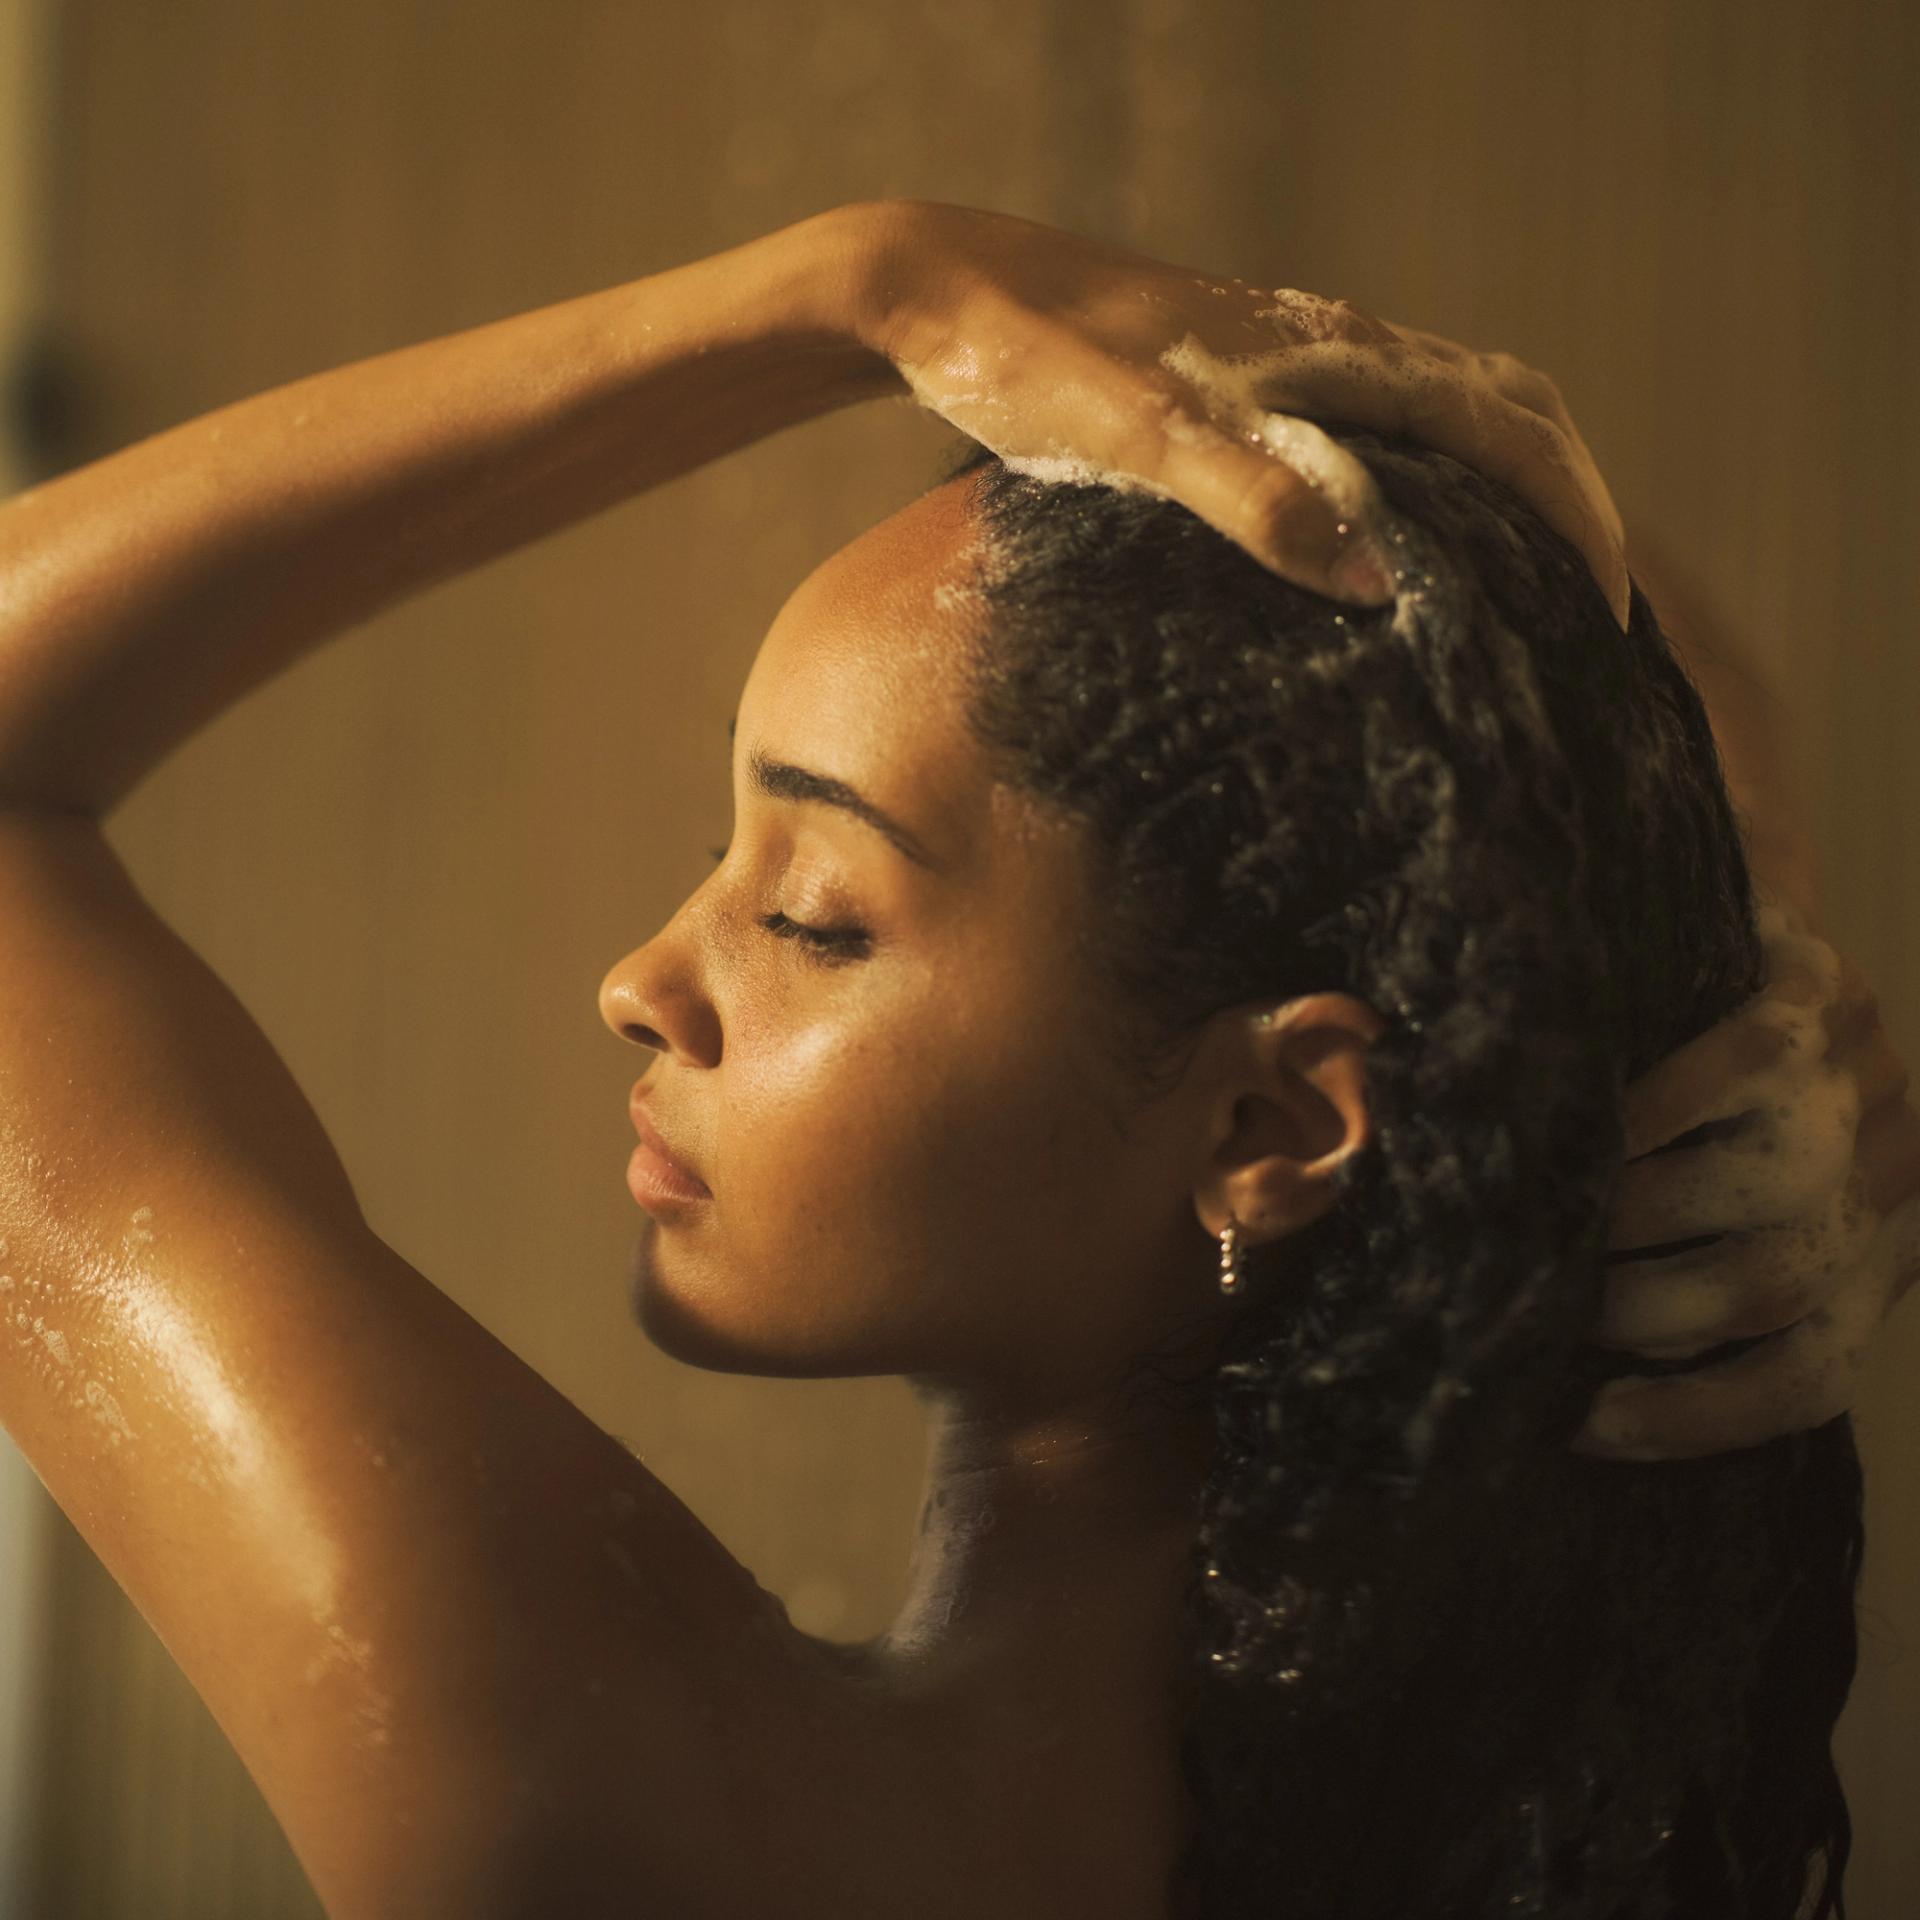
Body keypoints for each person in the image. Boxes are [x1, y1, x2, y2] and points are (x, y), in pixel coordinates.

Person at [0, 198, 1912, 1917]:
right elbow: (1541, 595)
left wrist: (838, 291)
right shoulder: (1568, 1815)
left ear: (1267, 1122)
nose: (641, 979)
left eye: (814, 907)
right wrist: (1705, 957)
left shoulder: (606, 1811)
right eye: (723, 852)